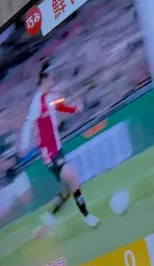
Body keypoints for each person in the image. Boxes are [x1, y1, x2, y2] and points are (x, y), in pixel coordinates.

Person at [21, 60, 100, 229]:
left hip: (57, 148)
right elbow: (28, 124)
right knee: (73, 179)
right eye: (51, 80)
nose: (53, 82)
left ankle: (51, 215)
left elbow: (59, 107)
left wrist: (74, 109)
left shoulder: (50, 95)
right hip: (49, 154)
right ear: (43, 81)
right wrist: (24, 145)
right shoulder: (37, 102)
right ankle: (88, 217)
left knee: (68, 188)